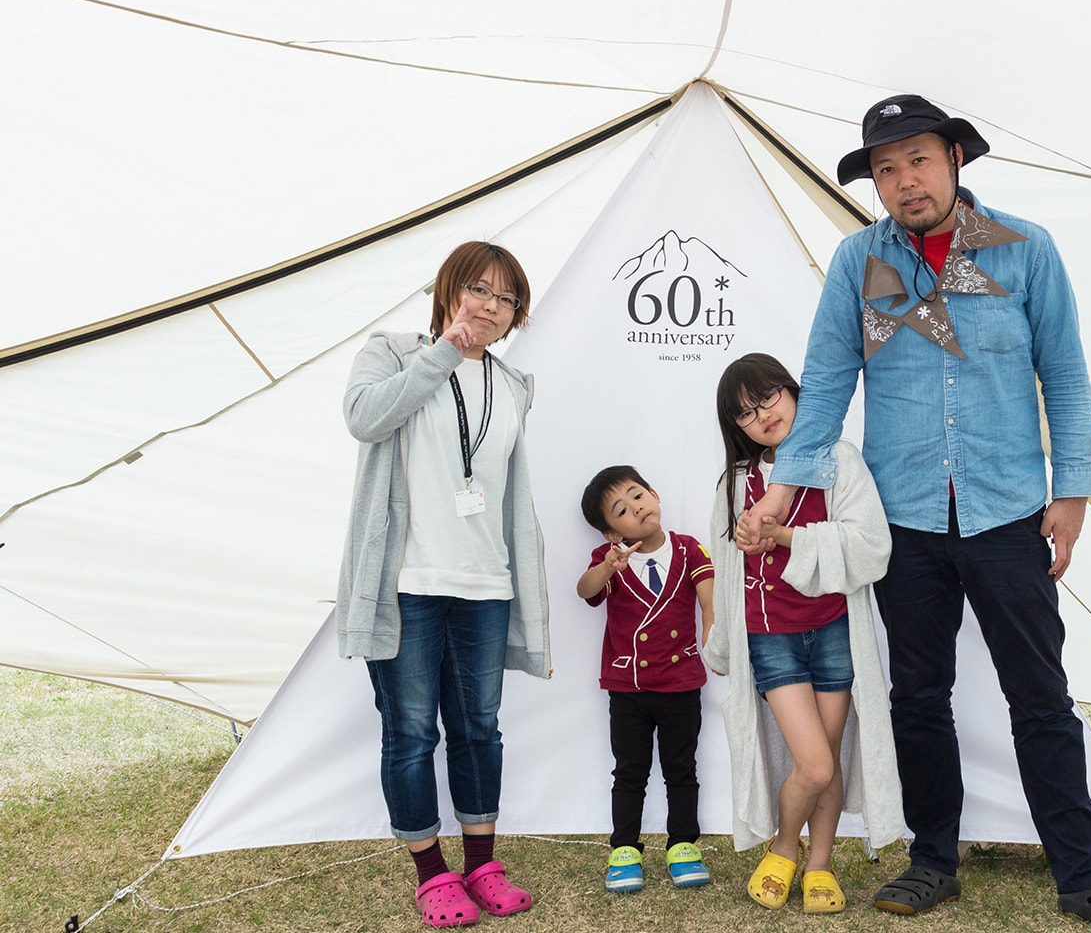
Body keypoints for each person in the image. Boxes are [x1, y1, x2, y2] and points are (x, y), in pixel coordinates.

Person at [741, 96, 1091, 931]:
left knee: (1040, 697)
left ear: (955, 161)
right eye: (887, 169)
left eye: (919, 160)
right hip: (903, 520)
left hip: (1008, 512)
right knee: (918, 697)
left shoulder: (1026, 249)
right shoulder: (857, 261)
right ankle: (933, 860)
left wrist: (1072, 493)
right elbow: (825, 382)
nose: (906, 181)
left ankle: (1082, 876)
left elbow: (1065, 375)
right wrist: (783, 490)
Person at [336, 240, 550, 928]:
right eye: (479, 289)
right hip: (408, 583)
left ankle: (482, 863)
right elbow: (364, 418)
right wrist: (443, 353)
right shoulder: (393, 353)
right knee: (409, 733)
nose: (491, 306)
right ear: (449, 289)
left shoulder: (514, 385)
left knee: (479, 730)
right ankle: (431, 873)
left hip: (486, 583)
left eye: (507, 299)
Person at [702, 352, 903, 915]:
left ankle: (820, 865)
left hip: (834, 631)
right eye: (745, 413)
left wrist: (786, 536)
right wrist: (722, 644)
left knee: (828, 760)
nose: (763, 415)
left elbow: (872, 547)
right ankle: (784, 848)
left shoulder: (839, 458)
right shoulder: (736, 483)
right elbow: (726, 570)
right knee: (813, 764)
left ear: (793, 393)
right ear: (736, 428)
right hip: (771, 637)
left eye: (768, 397)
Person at [575, 465, 716, 893]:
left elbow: (709, 601)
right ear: (611, 533)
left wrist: (712, 636)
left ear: (654, 493)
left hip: (681, 683)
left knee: (682, 768)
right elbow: (585, 591)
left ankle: (683, 845)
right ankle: (625, 849)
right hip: (628, 688)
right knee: (629, 771)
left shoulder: (689, 549)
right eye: (621, 510)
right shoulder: (609, 561)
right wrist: (608, 568)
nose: (636, 508)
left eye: (637, 495)